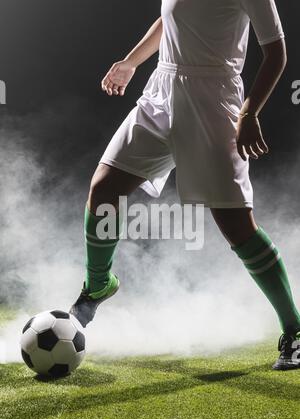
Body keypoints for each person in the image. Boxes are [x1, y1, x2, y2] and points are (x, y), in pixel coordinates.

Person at [70, 0, 300, 370]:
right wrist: (132, 61)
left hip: (214, 99)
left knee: (238, 228)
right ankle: (98, 283)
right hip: (161, 91)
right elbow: (169, 19)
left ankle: (295, 329)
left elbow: (276, 52)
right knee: (105, 188)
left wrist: (250, 112)